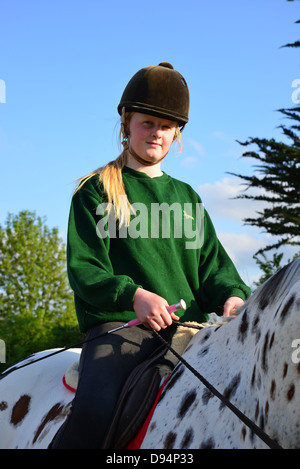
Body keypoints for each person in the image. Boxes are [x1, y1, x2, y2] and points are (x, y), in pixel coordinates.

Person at [50, 62, 251, 449]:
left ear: (177, 133)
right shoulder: (95, 191)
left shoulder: (188, 198)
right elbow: (85, 271)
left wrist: (231, 296)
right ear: (126, 123)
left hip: (189, 334)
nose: (155, 132)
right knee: (95, 411)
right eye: (147, 122)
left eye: (165, 125)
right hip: (120, 331)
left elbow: (214, 268)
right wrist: (135, 296)